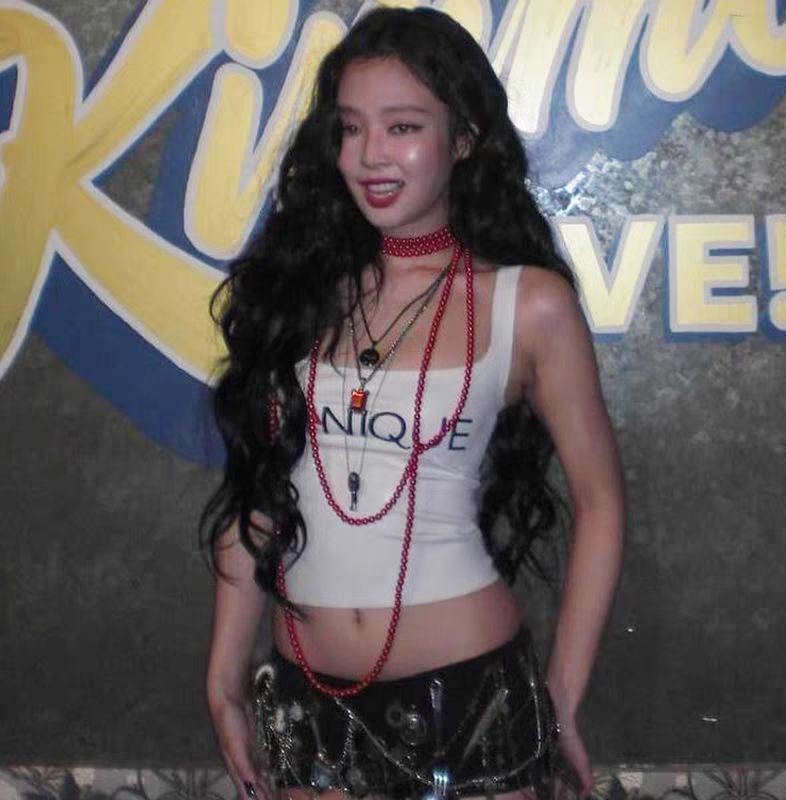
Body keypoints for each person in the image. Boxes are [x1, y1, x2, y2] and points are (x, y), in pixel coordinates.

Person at [202, 7, 624, 800]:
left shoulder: (528, 304)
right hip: (307, 707)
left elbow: (600, 502)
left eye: (402, 127)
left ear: (463, 139)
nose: (370, 155)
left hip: (472, 706)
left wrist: (563, 693)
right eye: (350, 127)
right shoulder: (295, 293)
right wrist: (225, 673)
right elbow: (258, 496)